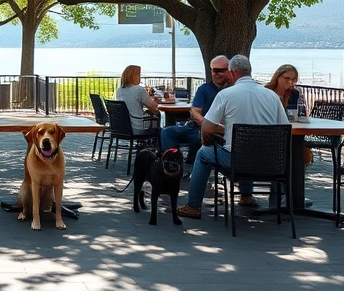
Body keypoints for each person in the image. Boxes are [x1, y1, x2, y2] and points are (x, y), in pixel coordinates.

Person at [176, 54, 290, 219]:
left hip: (237, 161)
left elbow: (207, 129)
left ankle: (193, 206)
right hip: (271, 163)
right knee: (250, 148)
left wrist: (207, 143)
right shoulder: (271, 96)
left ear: (233, 72)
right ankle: (248, 197)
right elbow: (285, 129)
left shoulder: (226, 95)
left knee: (203, 154)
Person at [160, 55, 231, 161]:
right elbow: (195, 111)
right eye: (213, 70)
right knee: (167, 132)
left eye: (220, 70)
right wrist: (205, 123)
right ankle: (173, 166)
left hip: (222, 132)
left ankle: (194, 164)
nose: (216, 74)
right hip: (199, 128)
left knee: (201, 140)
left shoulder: (234, 90)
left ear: (229, 71)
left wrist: (215, 128)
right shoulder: (204, 89)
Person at [115, 65, 159, 132]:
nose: (140, 77)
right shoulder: (138, 90)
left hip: (123, 127)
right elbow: (154, 106)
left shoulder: (119, 90)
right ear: (131, 76)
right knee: (157, 115)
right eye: (138, 75)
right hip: (138, 127)